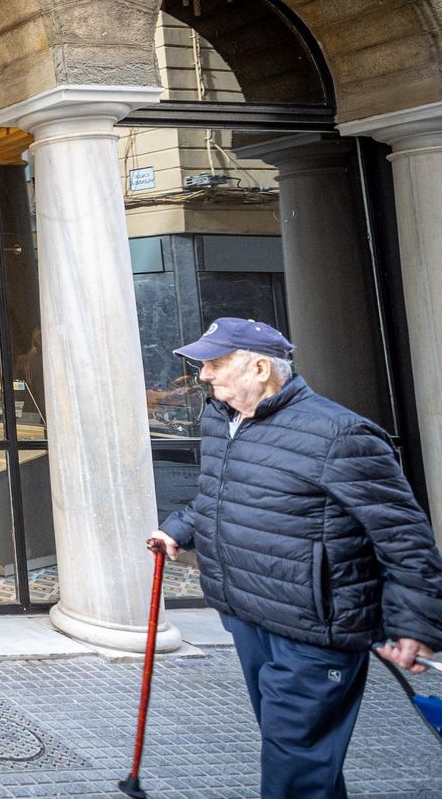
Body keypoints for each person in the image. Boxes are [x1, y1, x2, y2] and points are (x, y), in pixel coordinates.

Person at [149, 317, 442, 799]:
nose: (203, 375)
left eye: (214, 364)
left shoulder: (341, 435)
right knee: (300, 755)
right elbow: (220, 497)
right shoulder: (222, 420)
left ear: (260, 368)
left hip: (315, 630)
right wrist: (177, 529)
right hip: (247, 614)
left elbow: (404, 537)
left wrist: (414, 626)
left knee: (294, 759)